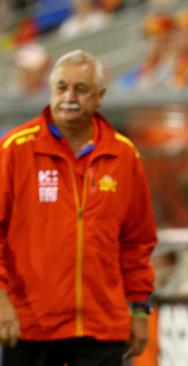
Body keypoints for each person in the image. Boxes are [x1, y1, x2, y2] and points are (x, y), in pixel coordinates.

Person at [0, 50, 157, 365]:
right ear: (50, 90)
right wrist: (1, 300)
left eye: (81, 89)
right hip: (29, 325)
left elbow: (137, 242)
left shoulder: (124, 156)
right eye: (61, 87)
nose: (69, 97)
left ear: (100, 97)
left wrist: (139, 310)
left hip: (102, 328)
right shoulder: (15, 149)